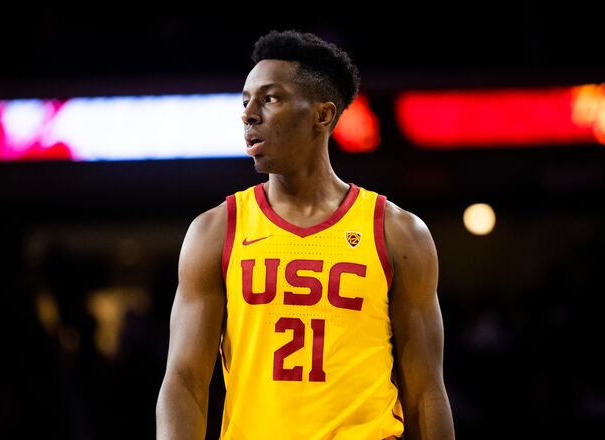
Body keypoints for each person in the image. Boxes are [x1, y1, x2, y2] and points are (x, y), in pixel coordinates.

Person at [156, 30, 455, 440]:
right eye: (245, 100)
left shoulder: (398, 232)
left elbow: (425, 393)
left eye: (270, 98)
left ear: (323, 115)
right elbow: (185, 381)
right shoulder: (215, 229)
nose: (248, 113)